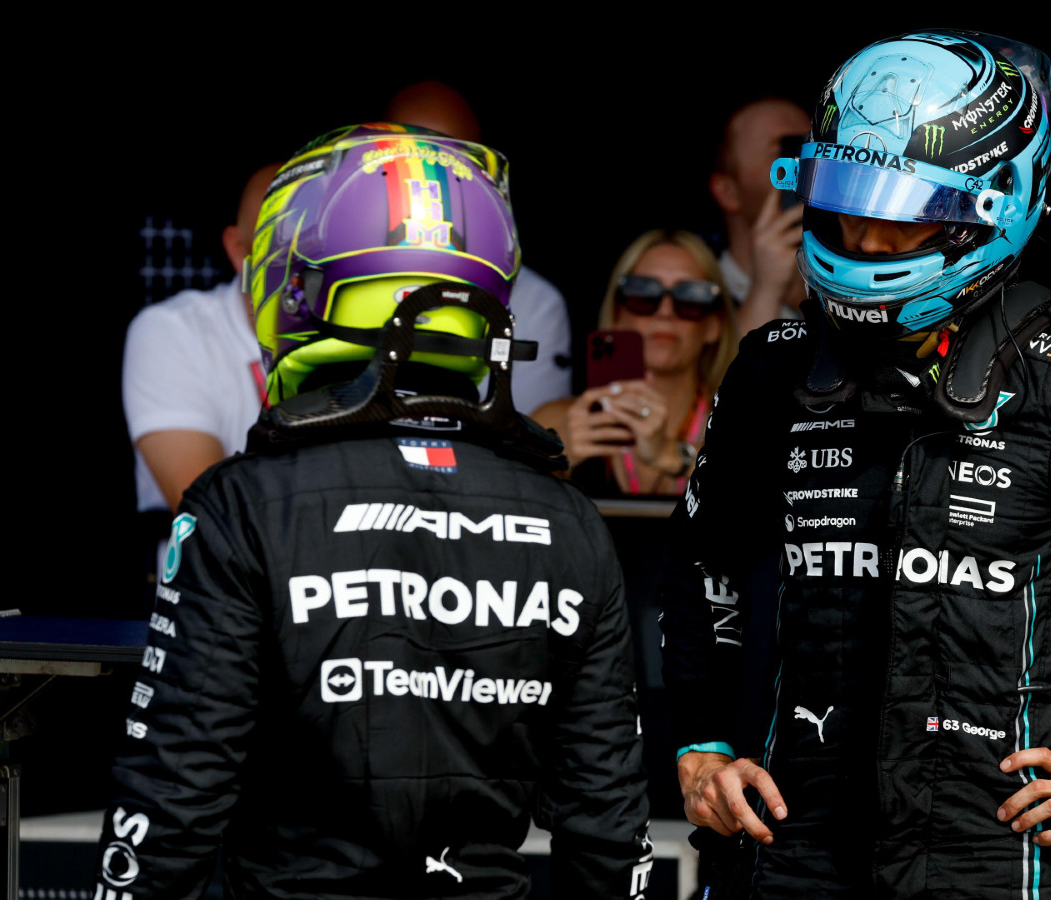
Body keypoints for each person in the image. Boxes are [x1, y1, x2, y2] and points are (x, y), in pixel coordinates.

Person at [659, 31, 1051, 898]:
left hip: (986, 859)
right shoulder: (773, 369)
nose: (865, 236)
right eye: (846, 200)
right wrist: (698, 745)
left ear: (993, 207)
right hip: (791, 847)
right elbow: (699, 558)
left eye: (901, 209)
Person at [95, 125, 651, 900]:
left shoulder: (243, 505)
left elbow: (171, 804)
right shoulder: (570, 521)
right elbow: (609, 829)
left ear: (296, 287)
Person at [387, 80, 575, 413]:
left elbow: (525, 430)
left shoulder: (534, 300)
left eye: (454, 165)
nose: (430, 178)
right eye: (409, 157)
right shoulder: (326, 267)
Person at [532, 229, 737, 497]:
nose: (665, 312)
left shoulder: (745, 429)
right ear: (617, 314)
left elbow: (769, 499)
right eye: (643, 292)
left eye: (691, 296)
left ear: (714, 325)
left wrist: (670, 454)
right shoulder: (554, 423)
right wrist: (551, 461)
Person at [123, 163, 276, 516]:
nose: (302, 263)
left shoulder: (372, 336)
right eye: (277, 244)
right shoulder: (172, 332)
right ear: (238, 250)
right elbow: (211, 518)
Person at [710, 98, 814, 337]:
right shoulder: (691, 294)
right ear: (728, 191)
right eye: (786, 150)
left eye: (812, 148)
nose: (806, 165)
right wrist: (766, 289)